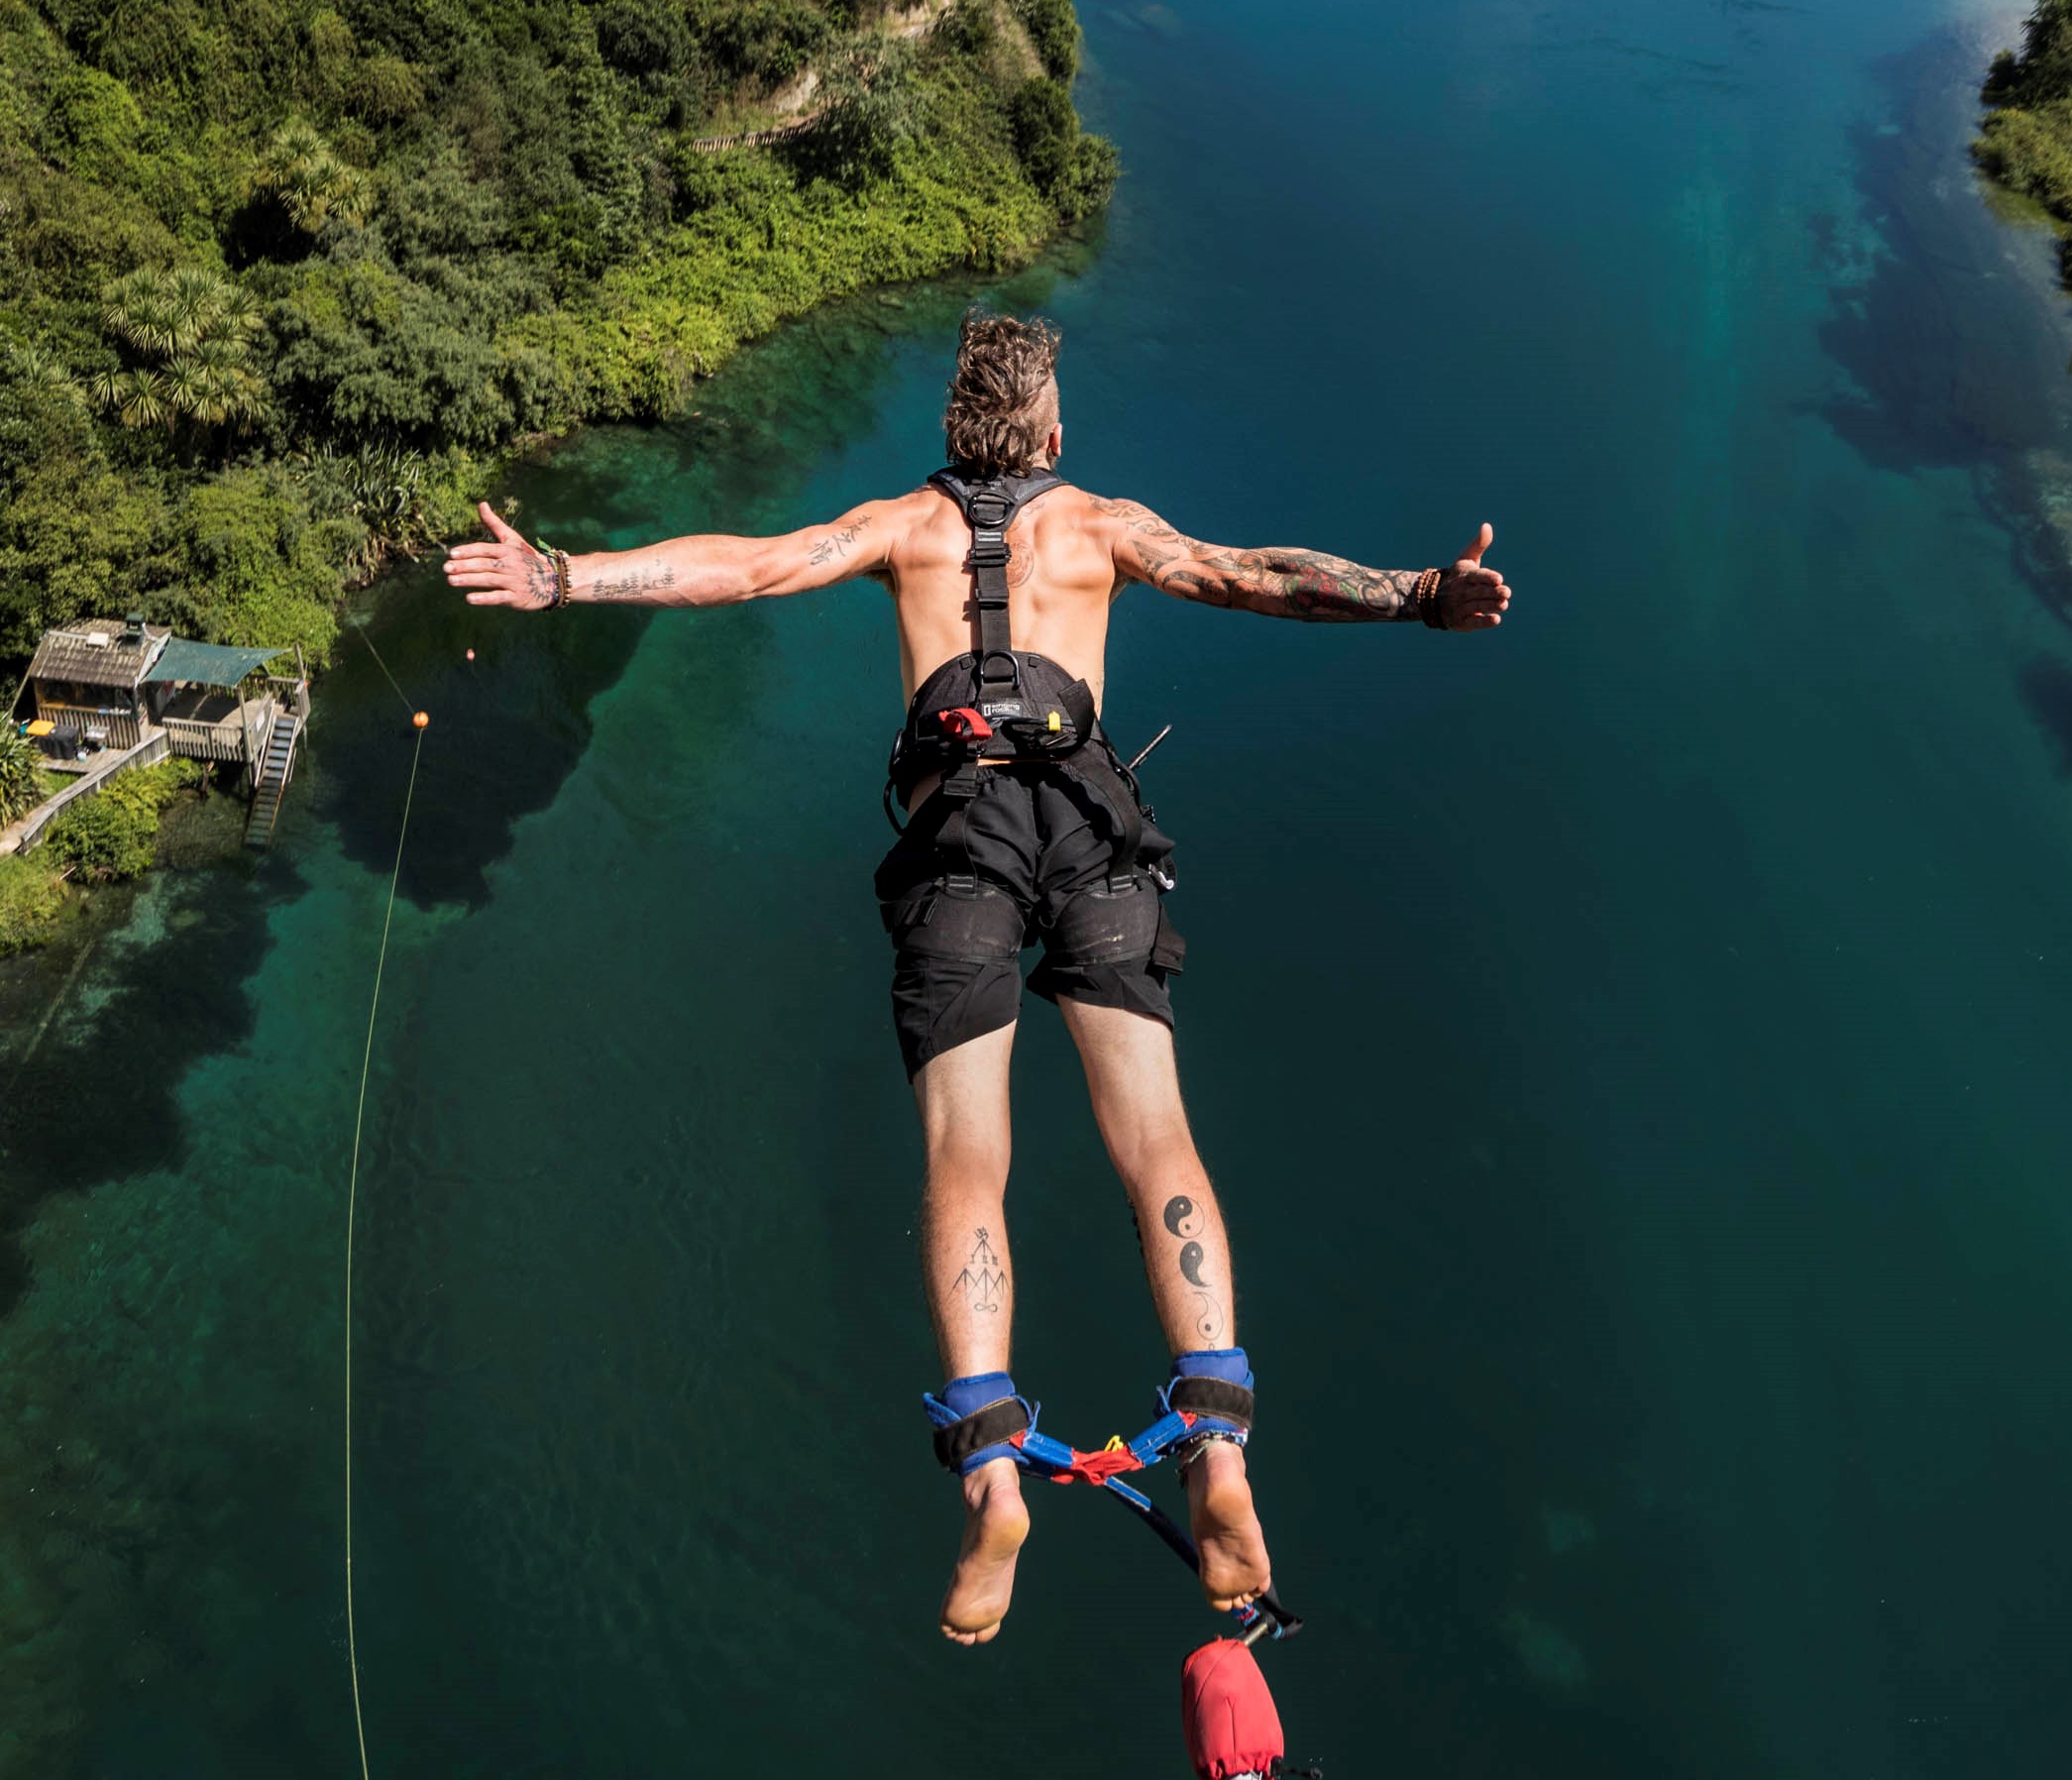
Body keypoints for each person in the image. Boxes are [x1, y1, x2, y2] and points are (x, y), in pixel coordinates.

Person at [445, 310, 1511, 1644]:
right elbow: (1253, 573)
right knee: (1157, 1139)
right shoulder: (1105, 526)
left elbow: (750, 568)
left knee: (966, 1157)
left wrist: (566, 579)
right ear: (1054, 437)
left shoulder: (900, 528)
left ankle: (993, 1471)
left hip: (962, 842)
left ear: (949, 434)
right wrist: (1417, 593)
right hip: (1094, 828)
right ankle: (1221, 1450)